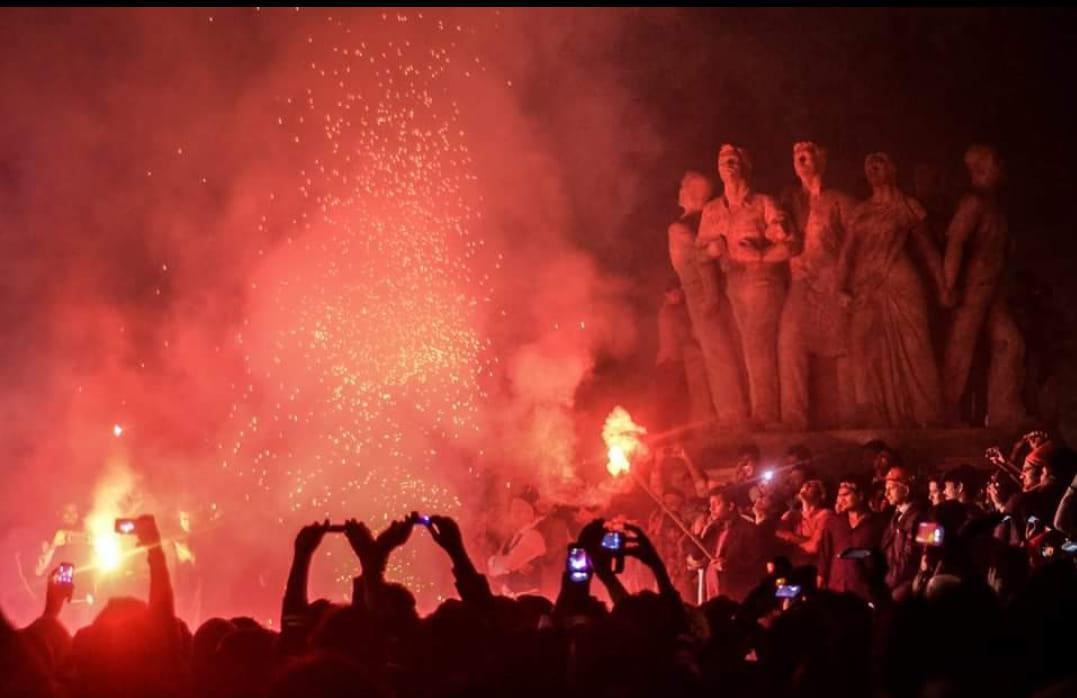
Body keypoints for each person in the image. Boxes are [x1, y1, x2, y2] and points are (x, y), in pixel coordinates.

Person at [841, 152, 945, 427]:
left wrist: (944, 286)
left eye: (880, 162)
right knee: (863, 343)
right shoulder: (860, 211)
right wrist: (841, 287)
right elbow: (847, 254)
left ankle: (927, 412)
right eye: (869, 164)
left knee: (916, 345)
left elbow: (927, 249)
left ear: (892, 169)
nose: (874, 167)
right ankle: (872, 409)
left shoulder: (907, 206)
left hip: (900, 279)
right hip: (866, 283)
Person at [698, 144, 796, 426]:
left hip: (762, 282)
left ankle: (766, 414)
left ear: (744, 167)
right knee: (745, 350)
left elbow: (790, 244)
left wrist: (764, 253)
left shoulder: (764, 203)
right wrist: (711, 252)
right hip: (732, 284)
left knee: (757, 344)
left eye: (733, 160)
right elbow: (698, 253)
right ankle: (759, 411)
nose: (728, 164)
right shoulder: (712, 210)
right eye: (722, 160)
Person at [941, 145, 1026, 427]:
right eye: (996, 163)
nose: (1000, 168)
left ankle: (1004, 411)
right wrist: (949, 284)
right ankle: (947, 411)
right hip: (973, 286)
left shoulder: (993, 206)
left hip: (993, 288)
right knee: (961, 348)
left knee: (1009, 342)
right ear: (983, 168)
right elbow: (956, 242)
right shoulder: (973, 203)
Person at [778, 141, 858, 429]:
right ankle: (793, 418)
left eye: (807, 155)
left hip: (831, 279)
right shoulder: (789, 203)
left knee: (845, 346)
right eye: (796, 156)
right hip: (801, 281)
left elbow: (858, 236)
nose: (801, 160)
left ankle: (852, 417)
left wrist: (849, 280)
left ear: (821, 160)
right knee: (790, 339)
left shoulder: (839, 200)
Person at [668, 170, 750, 425]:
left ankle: (733, 415)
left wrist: (711, 294)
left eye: (684, 186)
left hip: (708, 297)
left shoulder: (681, 228)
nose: (680, 190)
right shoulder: (698, 224)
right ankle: (733, 413)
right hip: (717, 294)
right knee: (725, 354)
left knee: (721, 356)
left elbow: (695, 259)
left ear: (693, 193)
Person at [693, 487, 764, 603]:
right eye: (710, 504)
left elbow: (757, 564)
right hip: (711, 593)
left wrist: (729, 565)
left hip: (733, 595)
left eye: (716, 504)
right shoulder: (713, 529)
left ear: (730, 506)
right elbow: (696, 555)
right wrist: (698, 533)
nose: (711, 508)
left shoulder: (748, 529)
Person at [819, 478, 885, 599]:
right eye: (839, 495)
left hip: (863, 591)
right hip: (836, 589)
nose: (841, 499)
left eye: (846, 495)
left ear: (860, 496)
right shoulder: (834, 522)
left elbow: (881, 556)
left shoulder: (877, 524)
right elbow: (824, 554)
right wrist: (821, 578)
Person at [880, 466, 928, 599]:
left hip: (905, 587)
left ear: (906, 490)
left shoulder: (921, 517)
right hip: (893, 583)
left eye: (891, 488)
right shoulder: (896, 516)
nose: (886, 493)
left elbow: (909, 559)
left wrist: (886, 585)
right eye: (886, 489)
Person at [486, 497, 547, 596]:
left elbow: (509, 564)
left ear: (530, 514)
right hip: (514, 598)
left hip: (529, 598)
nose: (514, 515)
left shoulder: (533, 536)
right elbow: (493, 571)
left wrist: (496, 561)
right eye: (513, 510)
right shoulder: (512, 537)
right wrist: (497, 562)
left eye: (519, 510)